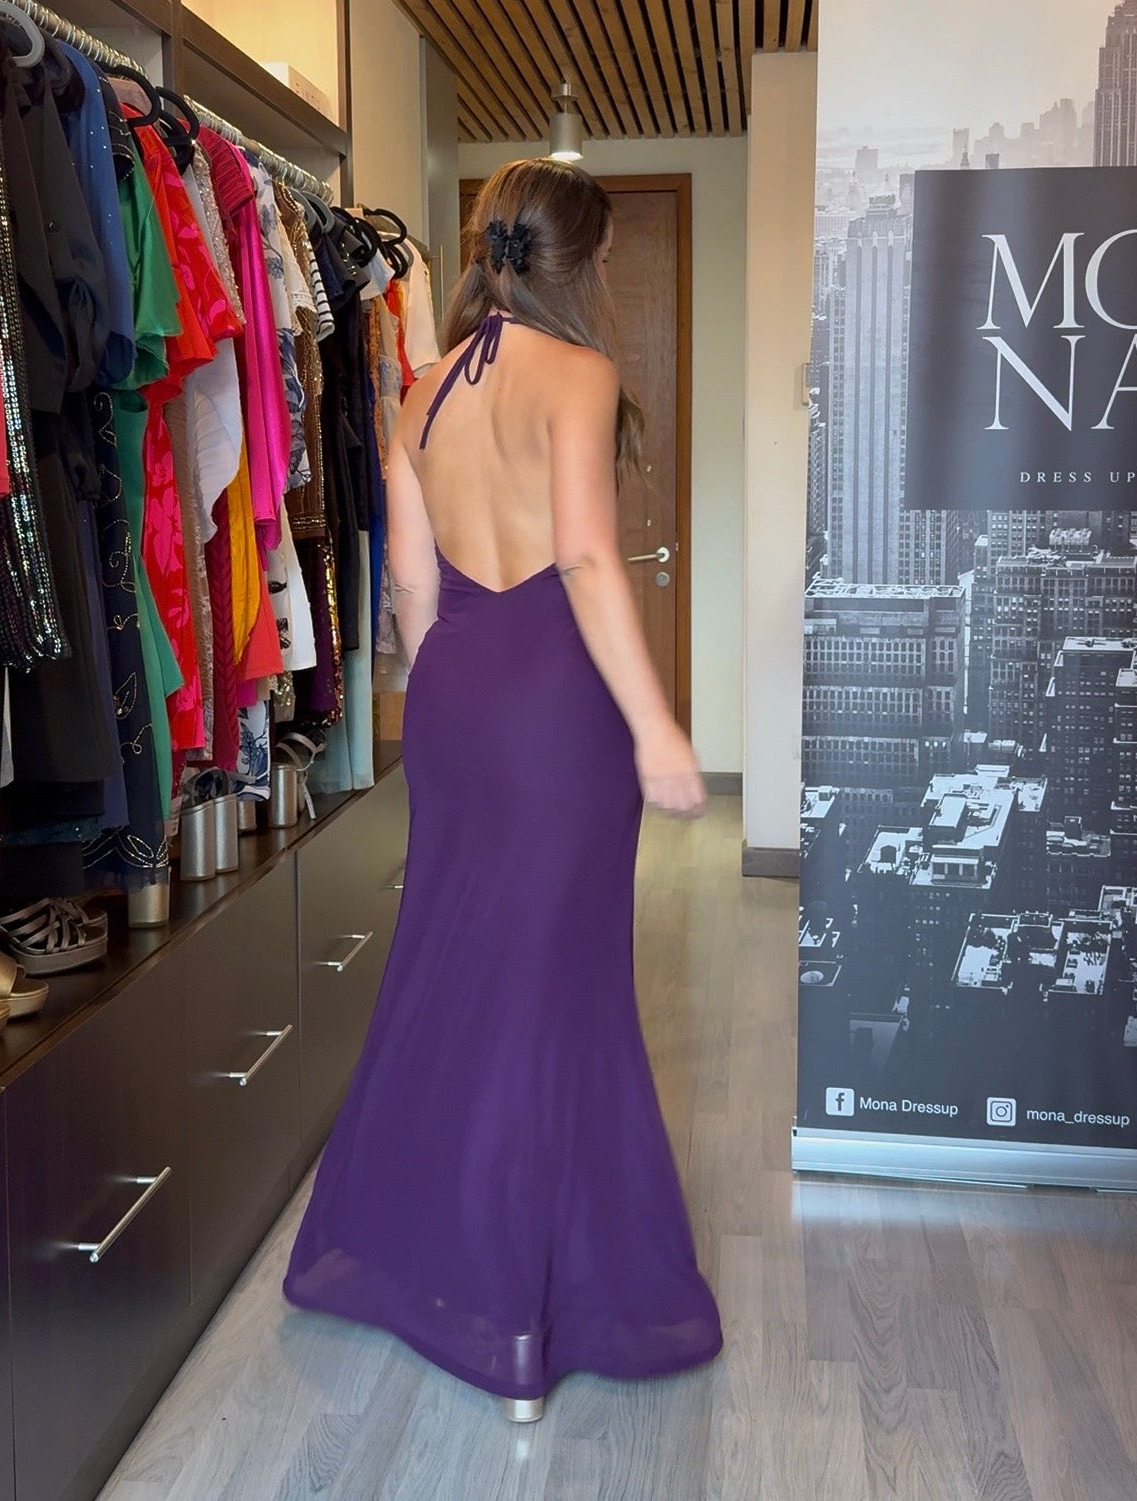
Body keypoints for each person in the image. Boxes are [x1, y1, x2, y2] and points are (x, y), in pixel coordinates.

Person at [283, 158, 723, 1421]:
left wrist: (451, 701)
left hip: (457, 700)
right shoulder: (580, 373)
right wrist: (656, 728)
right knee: (553, 996)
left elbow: (413, 590)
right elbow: (584, 558)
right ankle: (517, 1309)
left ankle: (426, 1254)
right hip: (553, 711)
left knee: (458, 970)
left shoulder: (421, 391)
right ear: (583, 262)